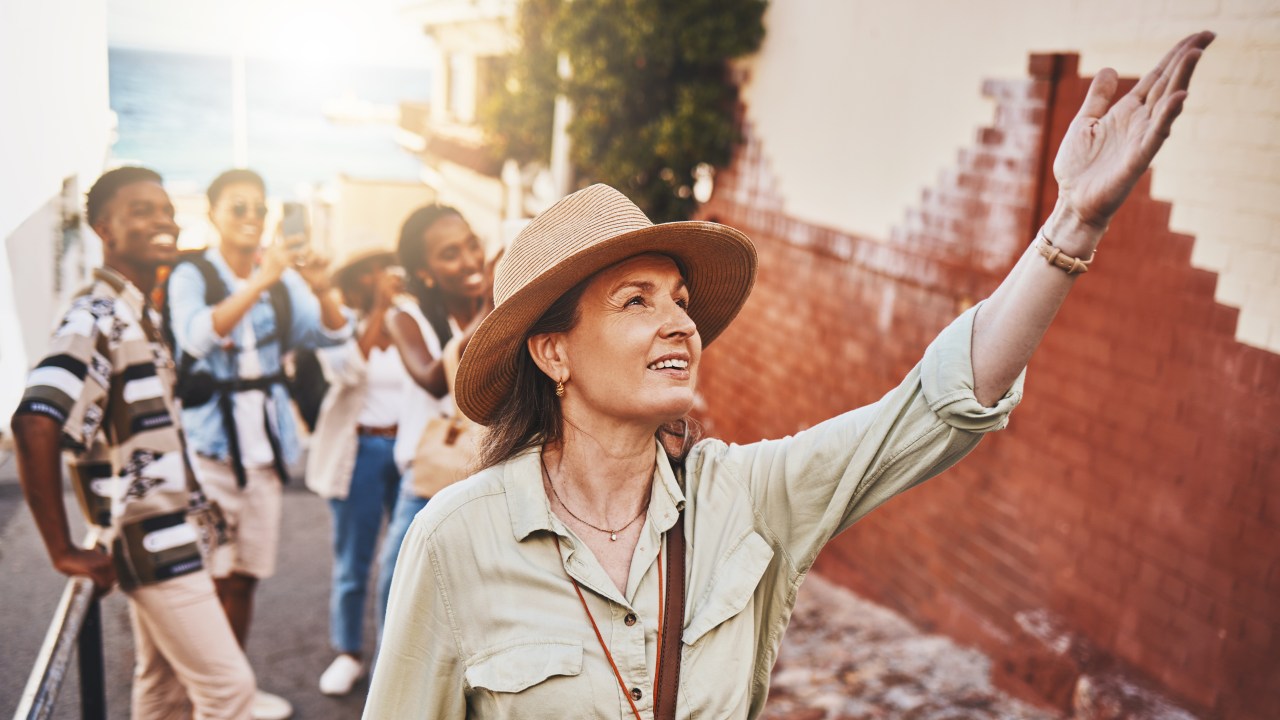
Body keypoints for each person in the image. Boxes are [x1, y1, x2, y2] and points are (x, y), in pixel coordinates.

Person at [363, 32, 1215, 719]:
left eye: (681, 299)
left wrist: (1070, 224)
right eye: (634, 301)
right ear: (553, 353)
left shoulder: (748, 501)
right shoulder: (455, 542)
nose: (678, 322)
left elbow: (933, 408)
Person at [10, 166, 256, 719]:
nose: (163, 221)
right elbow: (35, 421)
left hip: (172, 536)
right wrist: (61, 550)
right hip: (156, 545)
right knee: (231, 694)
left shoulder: (137, 312)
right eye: (142, 210)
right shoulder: (97, 314)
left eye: (167, 209)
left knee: (162, 691)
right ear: (105, 228)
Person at [166, 169, 351, 720]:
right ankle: (211, 699)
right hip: (210, 452)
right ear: (214, 213)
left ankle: (232, 694)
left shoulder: (282, 278)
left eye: (257, 209)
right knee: (204, 583)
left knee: (244, 577)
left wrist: (320, 287)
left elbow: (332, 334)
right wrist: (260, 279)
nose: (250, 218)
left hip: (265, 453)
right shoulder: (192, 273)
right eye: (237, 208)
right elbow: (196, 336)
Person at [304, 248, 433, 696]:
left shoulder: (412, 318)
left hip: (408, 449)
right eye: (372, 273)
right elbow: (347, 371)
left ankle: (393, 657)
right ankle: (348, 652)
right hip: (359, 449)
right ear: (358, 280)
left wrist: (395, 308)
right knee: (353, 559)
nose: (383, 278)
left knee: (402, 559)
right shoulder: (340, 322)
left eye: (386, 269)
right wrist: (379, 309)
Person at [371, 204, 489, 630]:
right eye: (450, 253)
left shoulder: (500, 310)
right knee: (400, 595)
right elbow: (435, 381)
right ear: (424, 272)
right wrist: (492, 306)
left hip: (490, 474)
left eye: (471, 244)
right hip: (430, 481)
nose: (471, 260)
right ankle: (390, 688)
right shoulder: (405, 318)